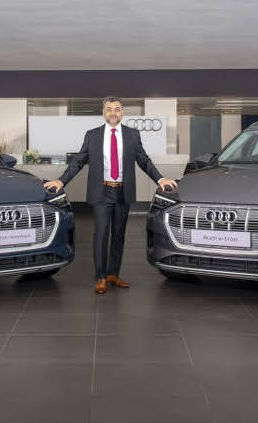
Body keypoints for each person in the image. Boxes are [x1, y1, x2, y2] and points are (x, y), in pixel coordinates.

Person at [43, 96, 178, 294]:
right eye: (109, 109)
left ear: (122, 112)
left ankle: (113, 274)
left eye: (117, 109)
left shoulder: (132, 135)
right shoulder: (92, 135)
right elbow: (78, 161)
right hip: (102, 191)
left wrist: (160, 179)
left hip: (123, 191)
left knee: (119, 235)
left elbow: (144, 160)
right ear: (103, 112)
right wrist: (61, 181)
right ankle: (100, 277)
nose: (113, 113)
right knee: (101, 234)